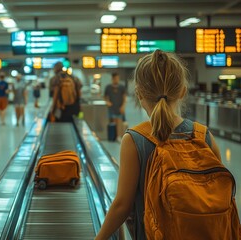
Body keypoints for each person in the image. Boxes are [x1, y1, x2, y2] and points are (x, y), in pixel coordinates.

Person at [95, 50, 225, 240]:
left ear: (139, 93)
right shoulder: (204, 136)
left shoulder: (134, 140)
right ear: (182, 91)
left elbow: (122, 206)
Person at [104, 72, 127, 142]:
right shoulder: (108, 87)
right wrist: (107, 102)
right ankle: (114, 136)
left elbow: (124, 97)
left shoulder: (122, 87)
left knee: (120, 121)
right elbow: (105, 97)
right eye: (115, 78)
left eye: (117, 78)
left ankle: (119, 136)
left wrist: (123, 106)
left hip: (119, 107)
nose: (116, 80)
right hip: (112, 108)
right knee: (113, 121)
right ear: (112, 79)